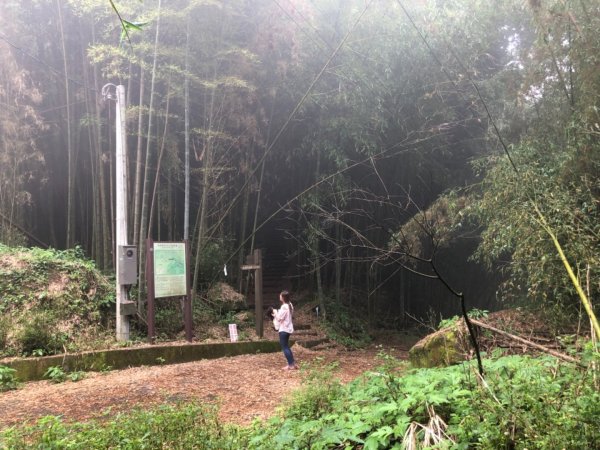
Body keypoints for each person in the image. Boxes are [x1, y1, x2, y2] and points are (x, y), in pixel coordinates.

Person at [272, 290, 298, 370]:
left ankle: (290, 365)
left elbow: (280, 318)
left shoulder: (284, 306)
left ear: (283, 297)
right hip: (288, 328)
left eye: (280, 296)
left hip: (284, 329)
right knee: (287, 347)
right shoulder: (290, 305)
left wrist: (275, 313)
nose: (279, 297)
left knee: (285, 347)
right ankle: (292, 363)